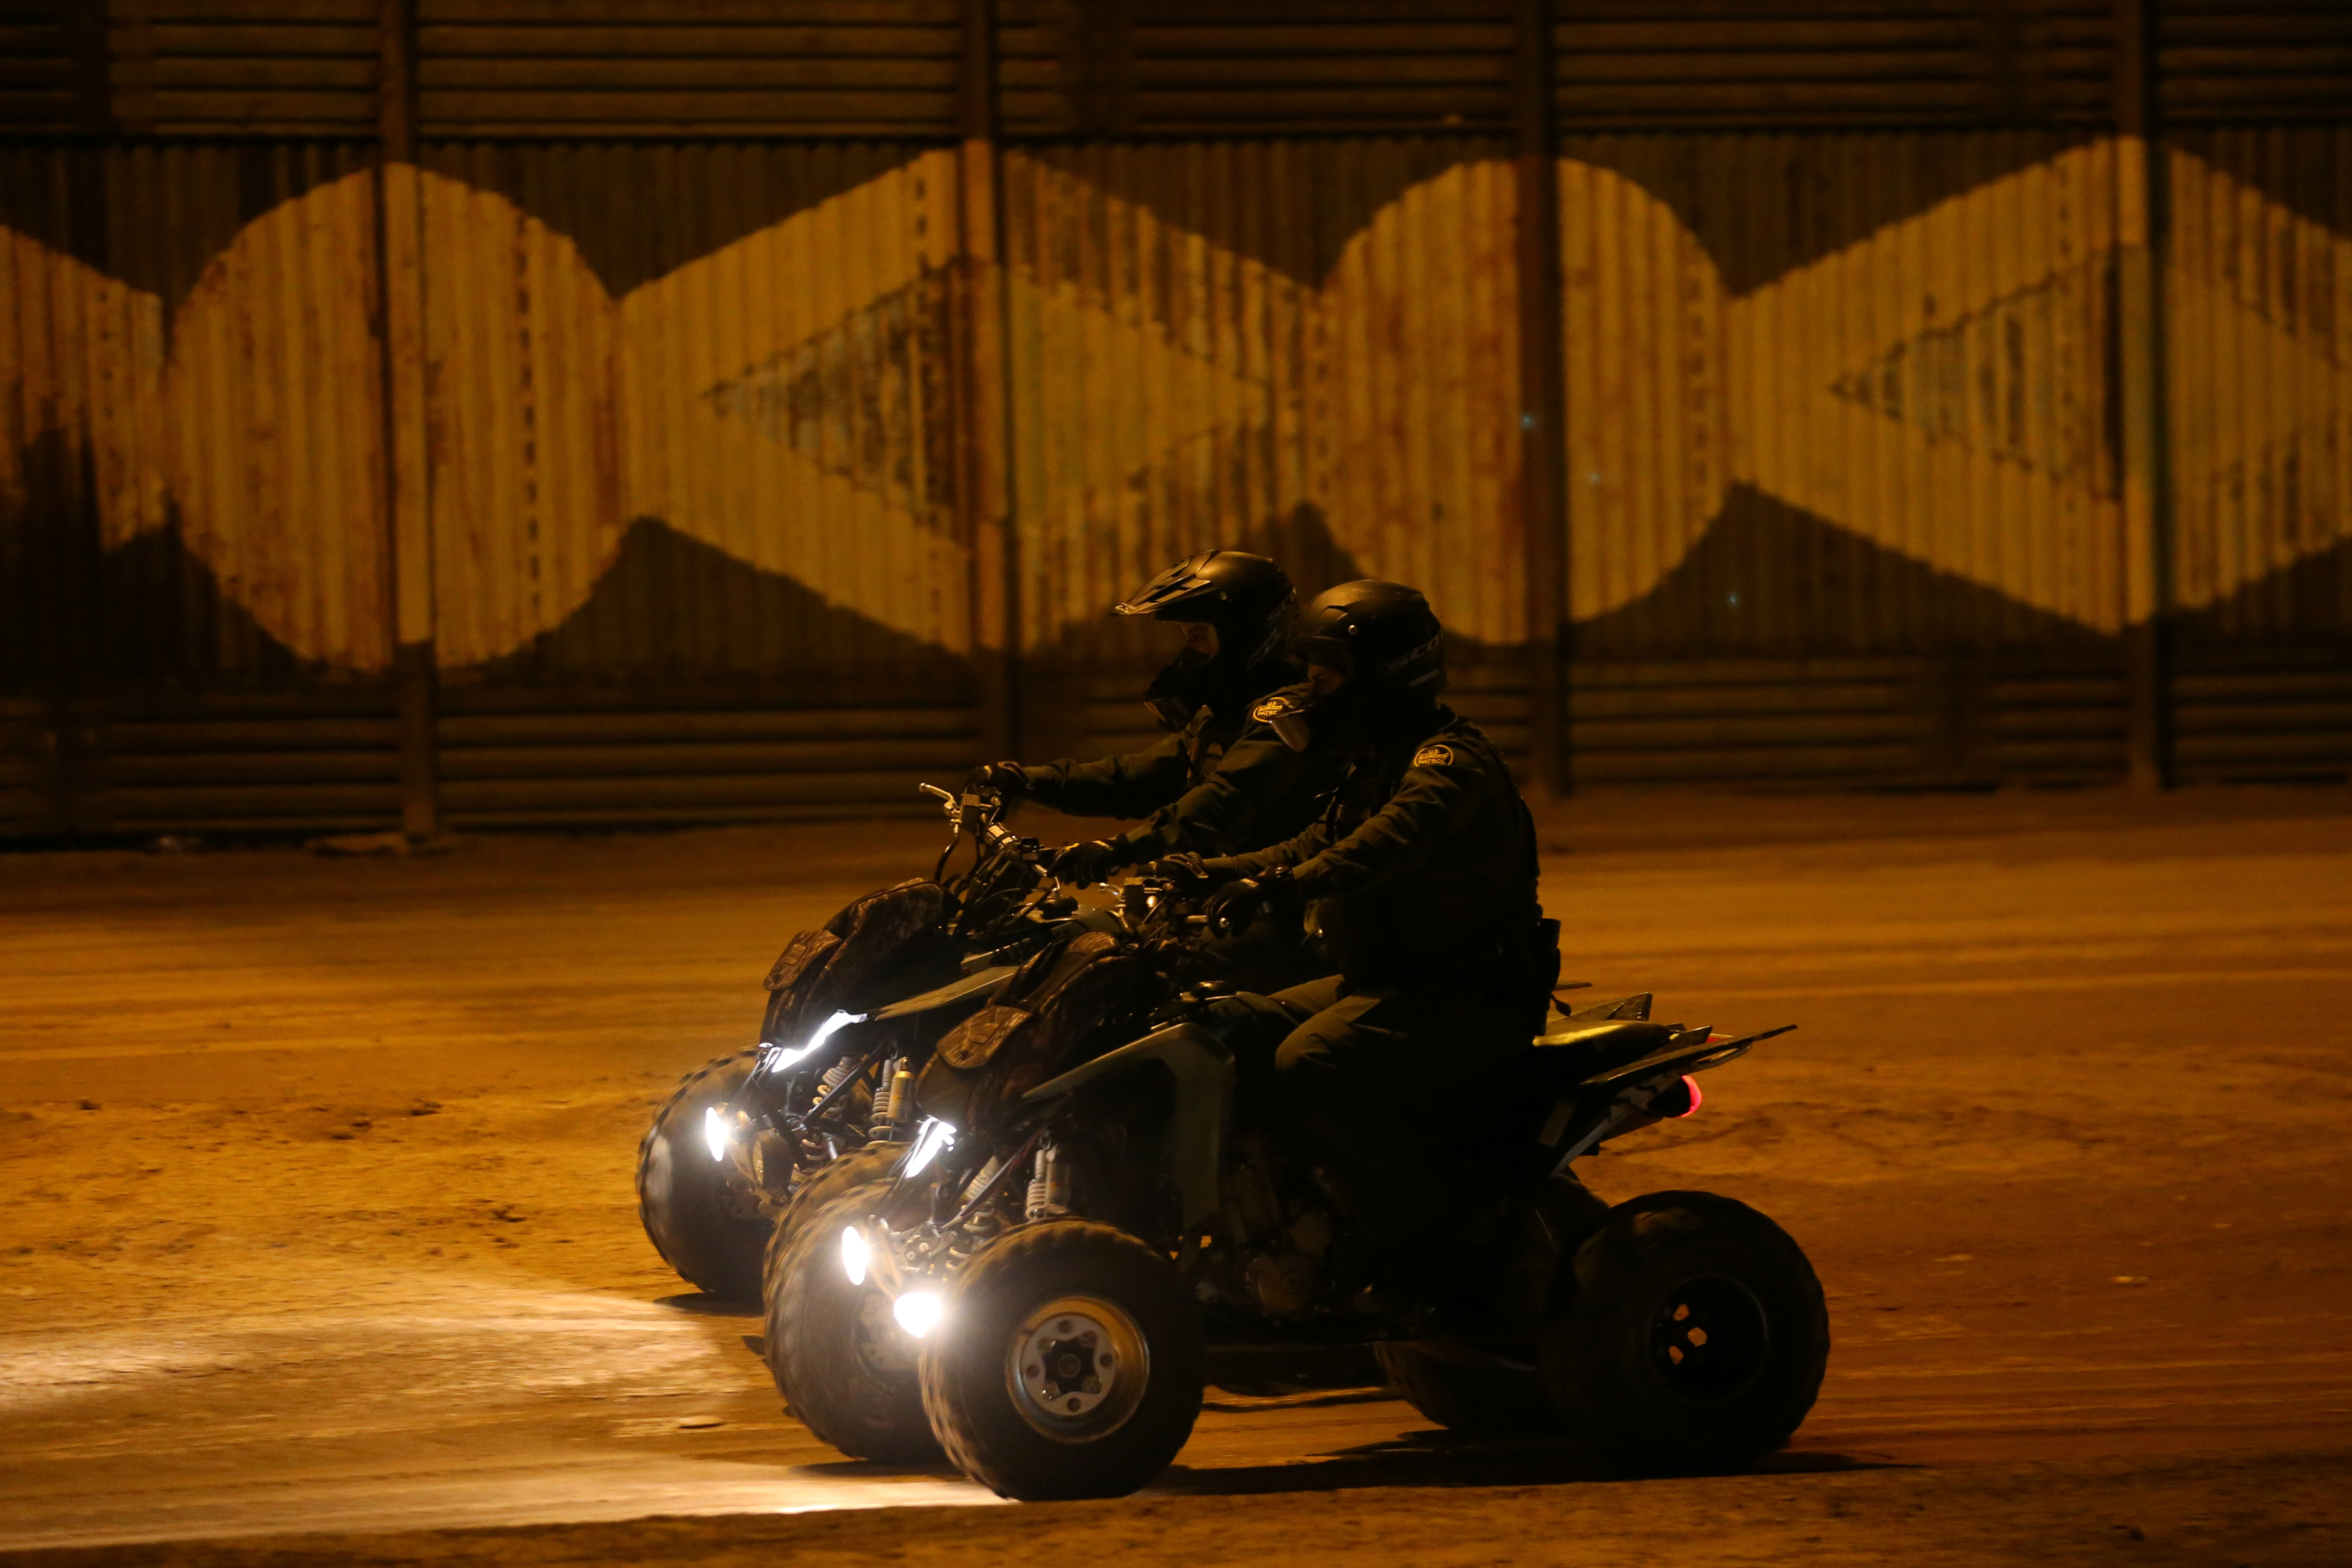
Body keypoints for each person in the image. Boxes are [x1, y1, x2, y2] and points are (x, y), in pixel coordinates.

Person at [1192, 579, 1558, 1316]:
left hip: (1465, 993)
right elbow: (1314, 841)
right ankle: (1275, 1222)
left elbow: (1379, 846)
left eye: (1327, 676)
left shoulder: (1448, 764)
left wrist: (1282, 890)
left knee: (1314, 1058)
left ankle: (1420, 1253)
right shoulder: (1374, 763)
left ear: (1385, 676)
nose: (1310, 691)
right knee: (1228, 1023)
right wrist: (1206, 872)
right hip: (1389, 980)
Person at [965, 550, 1335, 885]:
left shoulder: (1289, 713)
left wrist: (1118, 849)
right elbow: (1137, 779)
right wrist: (1024, 781)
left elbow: (1222, 800)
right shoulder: (1220, 715)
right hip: (1223, 892)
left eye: (1197, 637)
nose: (1186, 655)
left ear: (1246, 636)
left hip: (1288, 902)